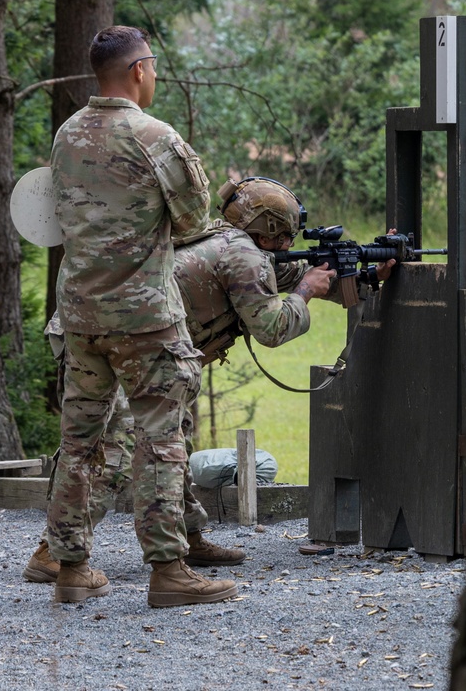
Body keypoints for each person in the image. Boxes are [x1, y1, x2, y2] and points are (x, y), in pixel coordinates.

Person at [27, 176, 396, 585]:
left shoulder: (233, 242)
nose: (290, 243)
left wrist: (366, 274)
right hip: (118, 339)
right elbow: (272, 328)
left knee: (173, 438)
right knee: (114, 451)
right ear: (269, 233)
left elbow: (295, 276)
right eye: (286, 235)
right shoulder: (244, 256)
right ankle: (53, 553)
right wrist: (306, 293)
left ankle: (188, 538)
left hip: (116, 333)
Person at [47, 24, 235, 608]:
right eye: (151, 67)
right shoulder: (154, 135)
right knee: (160, 441)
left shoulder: (66, 134)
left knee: (79, 442)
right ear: (138, 70)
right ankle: (169, 571)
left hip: (80, 317)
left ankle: (70, 567)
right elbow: (194, 221)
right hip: (145, 318)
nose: (153, 76)